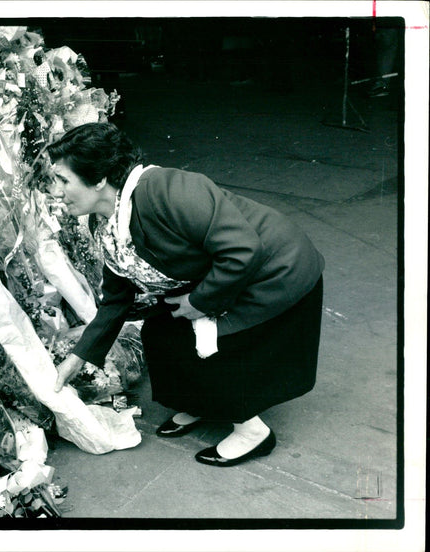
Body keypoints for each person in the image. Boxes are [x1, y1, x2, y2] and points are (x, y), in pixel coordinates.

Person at [48, 123, 325, 467]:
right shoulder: (104, 221)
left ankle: (253, 431)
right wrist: (78, 358)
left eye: (62, 180)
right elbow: (117, 296)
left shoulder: (167, 190)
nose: (55, 192)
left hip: (275, 272)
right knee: (161, 331)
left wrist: (198, 303)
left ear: (99, 179)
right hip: (225, 275)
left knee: (209, 341)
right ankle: (202, 405)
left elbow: (242, 250)